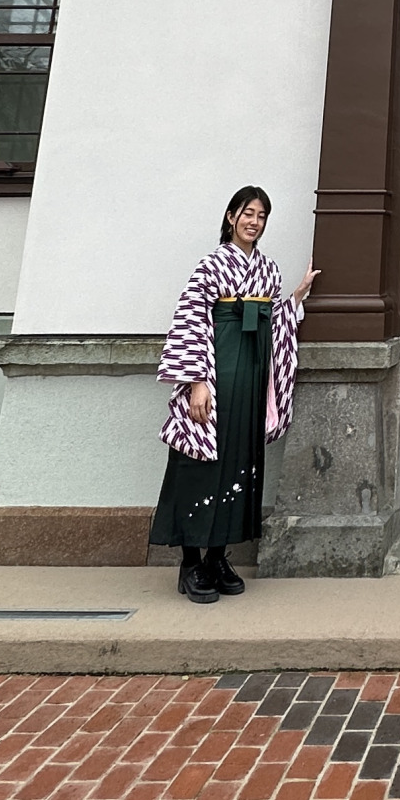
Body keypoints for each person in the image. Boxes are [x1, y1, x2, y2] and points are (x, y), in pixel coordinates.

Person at [153, 186, 319, 605]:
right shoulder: (211, 265)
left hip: (251, 379)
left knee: (239, 459)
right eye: (248, 213)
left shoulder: (267, 269)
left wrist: (297, 295)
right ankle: (190, 562)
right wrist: (197, 381)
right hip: (217, 372)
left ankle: (217, 557)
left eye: (261, 216)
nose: (254, 222)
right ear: (231, 216)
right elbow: (191, 319)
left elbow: (273, 321)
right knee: (202, 461)